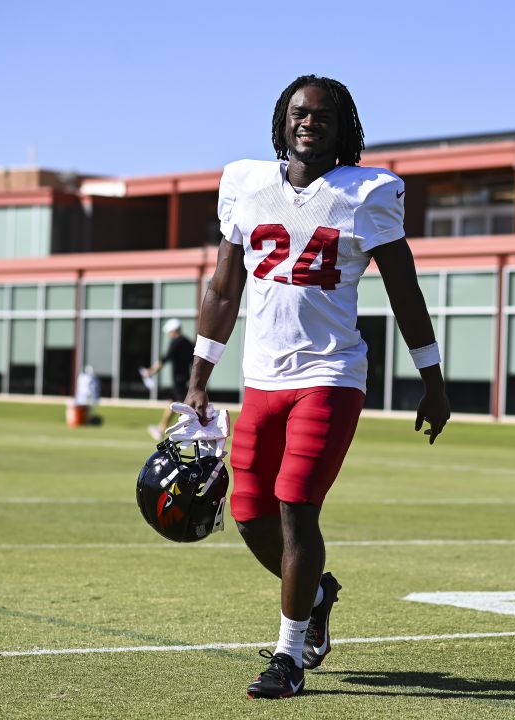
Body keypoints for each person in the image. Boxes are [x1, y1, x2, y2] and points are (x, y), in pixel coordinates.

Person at [183, 74, 450, 699]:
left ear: (343, 127)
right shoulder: (245, 186)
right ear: (282, 120)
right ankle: (317, 593)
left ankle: (289, 653)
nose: (309, 122)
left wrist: (432, 378)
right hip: (261, 377)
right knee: (249, 517)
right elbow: (223, 288)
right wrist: (199, 377)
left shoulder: (368, 193)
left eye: (323, 116)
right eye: (299, 113)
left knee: (297, 505)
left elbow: (404, 290)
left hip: (330, 374)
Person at [144, 318, 194, 440]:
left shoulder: (176, 342)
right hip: (186, 377)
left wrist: (151, 371)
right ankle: (160, 428)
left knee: (184, 407)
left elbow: (165, 358)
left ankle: (190, 430)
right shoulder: (188, 342)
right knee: (172, 404)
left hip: (179, 379)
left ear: (173, 331)